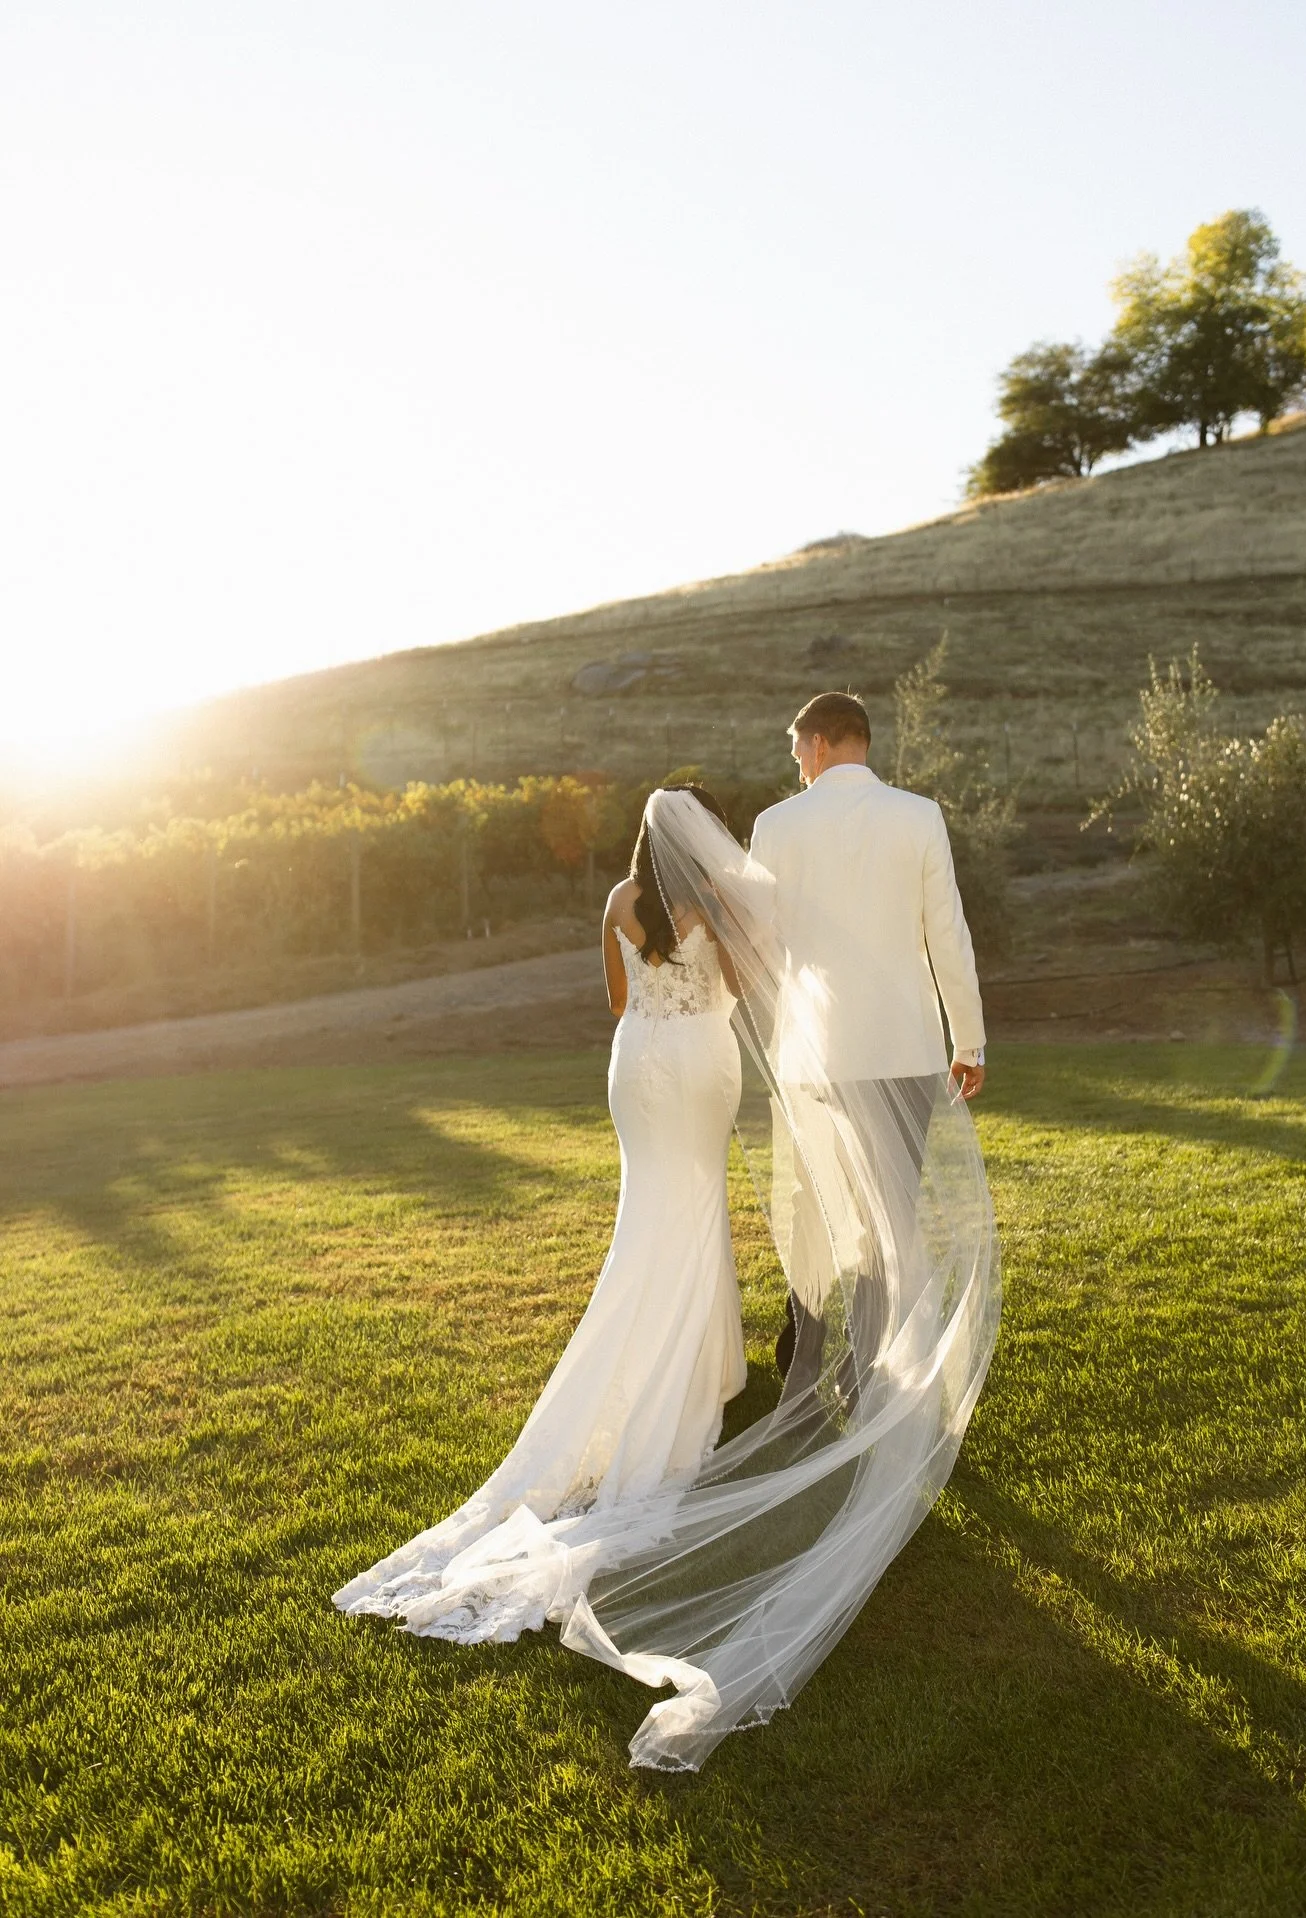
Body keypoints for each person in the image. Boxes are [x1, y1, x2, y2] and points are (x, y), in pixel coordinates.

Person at [332, 783, 748, 1640]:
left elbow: (617, 1003)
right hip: (704, 1062)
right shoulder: (715, 900)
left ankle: (677, 1353)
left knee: (650, 1212)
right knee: (698, 1200)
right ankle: (698, 1366)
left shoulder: (618, 901)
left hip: (637, 1066)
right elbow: (738, 989)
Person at [748, 690, 986, 1396]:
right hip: (903, 1048)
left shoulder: (776, 826)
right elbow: (948, 934)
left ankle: (806, 1365)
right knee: (890, 1211)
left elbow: (762, 943)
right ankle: (866, 1368)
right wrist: (967, 1041)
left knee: (810, 1207)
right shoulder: (919, 817)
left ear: (820, 744)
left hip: (815, 1051)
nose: (797, 769)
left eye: (797, 754)